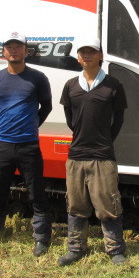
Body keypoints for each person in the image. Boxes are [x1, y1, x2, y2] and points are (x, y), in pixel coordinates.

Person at [0, 32, 53, 255]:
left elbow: (45, 107)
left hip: (29, 145)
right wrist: (6, 125)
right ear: (3, 52)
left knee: (36, 193)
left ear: (26, 51)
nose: (14, 51)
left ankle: (41, 239)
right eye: (9, 47)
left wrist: (31, 125)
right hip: (2, 145)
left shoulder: (38, 78)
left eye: (18, 47)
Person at [58, 37, 128, 266]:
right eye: (82, 52)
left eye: (91, 52)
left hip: (102, 155)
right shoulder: (70, 85)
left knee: (108, 204)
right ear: (78, 57)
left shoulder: (113, 85)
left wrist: (105, 140)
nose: (86, 55)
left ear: (100, 56)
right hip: (76, 154)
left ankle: (115, 250)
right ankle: (76, 248)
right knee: (76, 205)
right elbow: (70, 119)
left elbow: (118, 119)